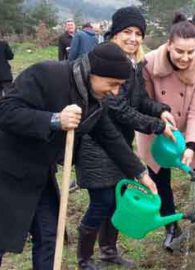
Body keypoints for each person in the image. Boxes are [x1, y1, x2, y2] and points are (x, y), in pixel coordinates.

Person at [0, 42, 157, 270]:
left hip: (38, 174)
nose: (115, 92)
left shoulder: (93, 99)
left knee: (49, 235)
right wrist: (54, 120)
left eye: (120, 86)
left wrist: (140, 173)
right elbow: (5, 111)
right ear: (94, 73)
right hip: (7, 170)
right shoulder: (47, 74)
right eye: (112, 84)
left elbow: (109, 137)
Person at [75, 6, 176, 269]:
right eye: (126, 32)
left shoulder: (134, 64)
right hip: (96, 144)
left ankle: (108, 251)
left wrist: (161, 111)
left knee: (118, 199)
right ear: (114, 33)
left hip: (119, 144)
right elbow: (118, 109)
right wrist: (154, 126)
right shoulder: (107, 62)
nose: (133, 38)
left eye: (138, 33)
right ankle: (84, 259)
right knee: (103, 201)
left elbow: (139, 99)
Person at [136, 13, 195, 251]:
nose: (185, 57)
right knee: (159, 181)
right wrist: (160, 121)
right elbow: (144, 102)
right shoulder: (148, 64)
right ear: (169, 44)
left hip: (188, 130)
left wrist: (190, 145)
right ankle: (171, 228)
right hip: (156, 130)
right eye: (180, 51)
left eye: (190, 52)